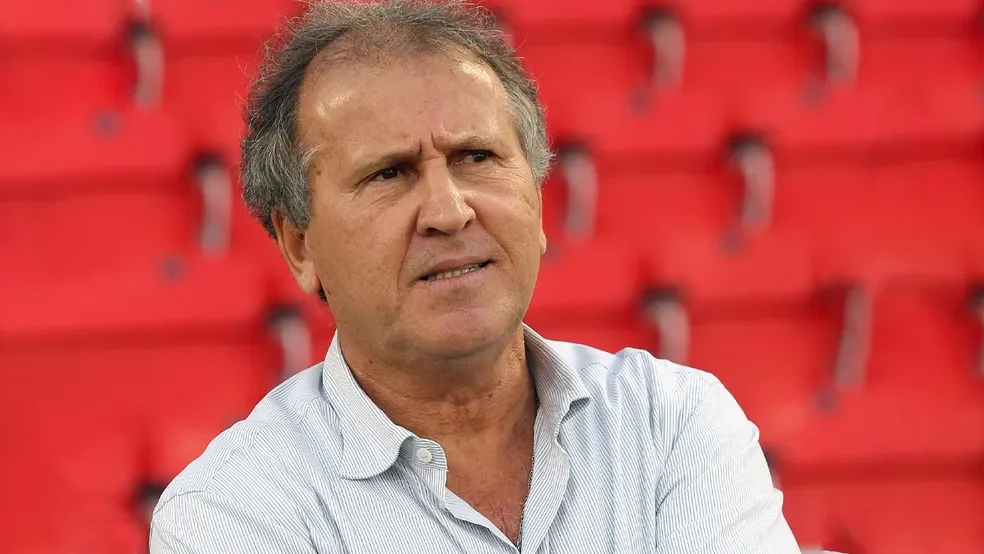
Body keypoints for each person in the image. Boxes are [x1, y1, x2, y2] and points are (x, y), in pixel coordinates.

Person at [149, 1, 799, 552]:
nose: (449, 210)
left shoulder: (672, 425)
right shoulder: (236, 511)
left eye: (476, 157)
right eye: (389, 173)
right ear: (299, 245)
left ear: (538, 195)